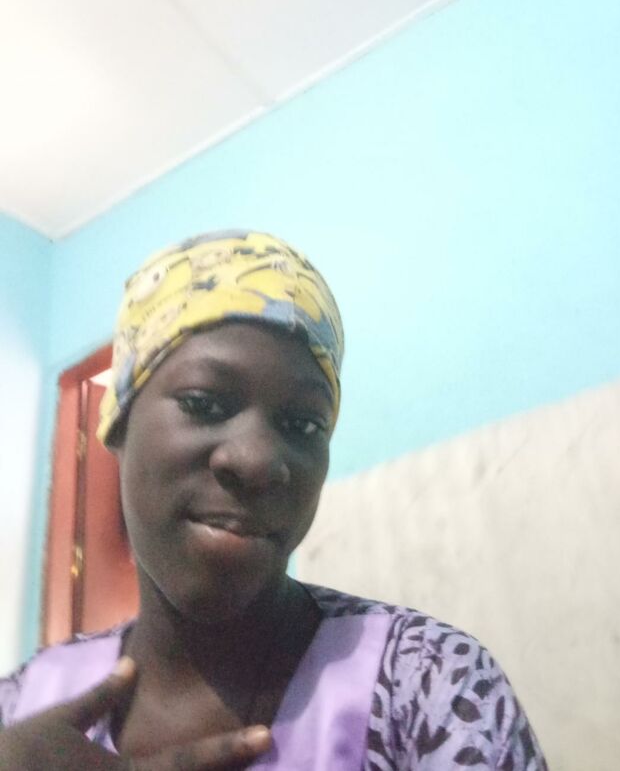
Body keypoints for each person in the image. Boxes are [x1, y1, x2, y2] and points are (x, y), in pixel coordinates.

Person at [0, 231, 547, 769]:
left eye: (303, 423)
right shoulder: (20, 708)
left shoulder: (433, 687)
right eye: (204, 402)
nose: (258, 460)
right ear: (118, 423)